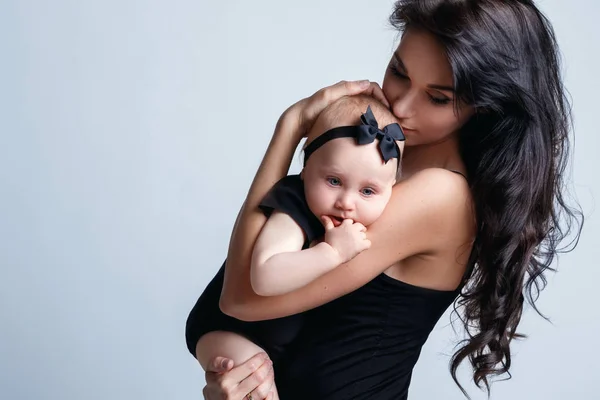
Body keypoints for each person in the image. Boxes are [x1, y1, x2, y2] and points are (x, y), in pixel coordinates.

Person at [187, 1, 582, 399]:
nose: (403, 107)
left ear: (486, 104)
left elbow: (239, 299)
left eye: (439, 98)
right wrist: (233, 371)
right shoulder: (371, 169)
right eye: (398, 72)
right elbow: (234, 308)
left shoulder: (440, 195)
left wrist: (289, 129)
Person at [188, 97, 405, 399]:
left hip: (278, 342)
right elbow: (264, 276)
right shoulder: (294, 209)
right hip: (231, 331)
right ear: (305, 169)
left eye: (368, 191)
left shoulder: (363, 218)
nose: (346, 202)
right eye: (333, 180)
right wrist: (332, 253)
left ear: (392, 187)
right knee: (255, 381)